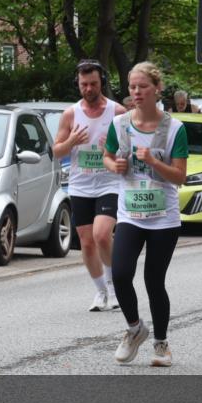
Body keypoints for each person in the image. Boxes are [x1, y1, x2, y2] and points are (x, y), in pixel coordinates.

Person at [102, 62, 188, 367]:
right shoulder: (120, 124)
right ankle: (134, 328)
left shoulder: (175, 128)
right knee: (121, 273)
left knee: (154, 280)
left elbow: (179, 176)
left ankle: (161, 344)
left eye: (142, 87)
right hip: (130, 213)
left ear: (157, 89)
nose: (136, 92)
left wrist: (153, 160)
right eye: (132, 87)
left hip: (163, 217)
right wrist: (115, 166)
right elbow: (108, 157)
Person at [53, 60, 126, 312]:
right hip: (81, 184)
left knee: (102, 234)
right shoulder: (70, 114)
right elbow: (56, 151)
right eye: (84, 84)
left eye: (93, 83)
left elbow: (133, 149)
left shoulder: (117, 112)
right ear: (78, 84)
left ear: (102, 83)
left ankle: (115, 288)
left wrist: (116, 147)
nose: (88, 88)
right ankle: (100, 292)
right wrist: (71, 141)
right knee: (86, 242)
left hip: (110, 183)